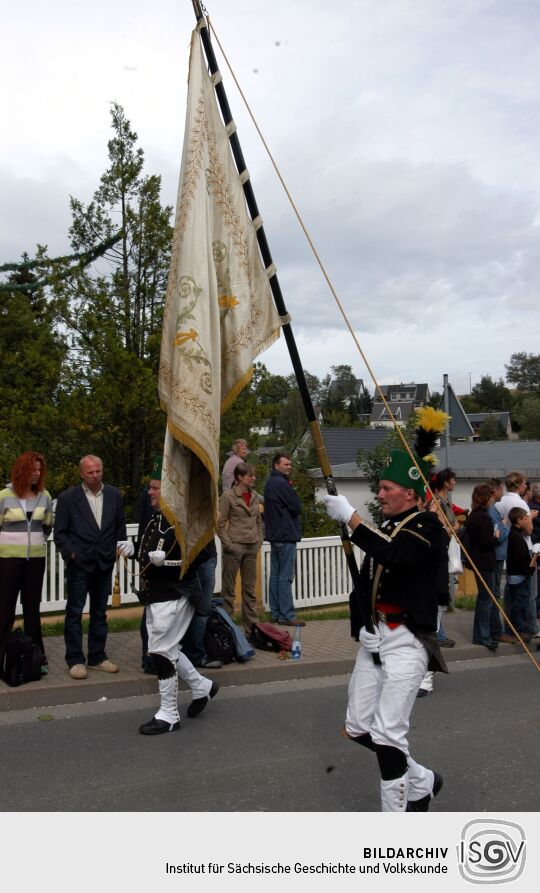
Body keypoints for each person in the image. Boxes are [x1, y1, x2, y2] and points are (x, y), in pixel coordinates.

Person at [323, 448, 448, 812]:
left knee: (388, 734)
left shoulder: (427, 528)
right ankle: (422, 781)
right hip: (375, 638)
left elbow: (395, 555)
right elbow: (361, 588)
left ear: (410, 493)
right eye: (380, 488)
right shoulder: (389, 529)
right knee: (358, 726)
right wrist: (361, 626)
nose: (380, 494)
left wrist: (352, 518)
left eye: (386, 488)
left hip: (407, 641)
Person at [125, 469, 218, 735]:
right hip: (157, 593)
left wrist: (165, 560)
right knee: (166, 649)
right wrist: (135, 551)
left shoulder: (184, 520)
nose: (150, 493)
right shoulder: (158, 517)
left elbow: (198, 555)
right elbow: (151, 546)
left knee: (161, 652)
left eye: (155, 488)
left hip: (176, 593)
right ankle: (202, 687)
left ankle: (169, 714)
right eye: (151, 488)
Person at [54, 455, 126, 679]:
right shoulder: (68, 498)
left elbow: (119, 527)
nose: (95, 475)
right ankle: (75, 660)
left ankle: (97, 656)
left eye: (98, 471)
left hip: (104, 562)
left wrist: (118, 548)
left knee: (99, 612)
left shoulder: (113, 495)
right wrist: (71, 553)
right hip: (79, 564)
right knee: (75, 612)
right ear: (81, 474)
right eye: (90, 472)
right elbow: (60, 533)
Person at [0, 452, 53, 677]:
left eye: (40, 470)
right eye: (33, 470)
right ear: (22, 470)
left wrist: (33, 543)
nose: (37, 474)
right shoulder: (4, 495)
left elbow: (47, 526)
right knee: (5, 610)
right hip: (8, 560)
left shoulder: (45, 496)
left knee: (32, 610)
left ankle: (35, 658)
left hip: (36, 560)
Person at [217, 462, 263, 634]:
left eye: (253, 475)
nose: (254, 478)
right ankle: (226, 630)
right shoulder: (228, 496)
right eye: (250, 475)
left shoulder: (255, 496)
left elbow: (258, 521)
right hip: (234, 548)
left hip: (252, 547)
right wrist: (229, 545)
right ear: (239, 477)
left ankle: (252, 629)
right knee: (228, 592)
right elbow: (219, 524)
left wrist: (259, 540)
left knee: (249, 591)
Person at [263, 452, 305, 627]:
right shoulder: (282, 484)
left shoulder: (270, 484)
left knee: (275, 575)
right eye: (286, 464)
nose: (289, 466)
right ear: (276, 465)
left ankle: (276, 612)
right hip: (286, 535)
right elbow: (297, 506)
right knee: (285, 576)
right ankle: (287, 615)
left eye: (290, 464)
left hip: (274, 535)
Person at [464, 483, 502, 652]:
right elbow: (487, 543)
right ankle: (483, 635)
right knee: (487, 599)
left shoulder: (473, 516)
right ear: (487, 499)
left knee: (484, 599)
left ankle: (483, 634)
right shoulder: (484, 518)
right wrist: (496, 537)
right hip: (486, 562)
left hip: (478, 562)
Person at [505, 507, 538, 642]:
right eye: (526, 519)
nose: (528, 521)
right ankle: (518, 630)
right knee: (520, 605)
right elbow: (520, 561)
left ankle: (518, 629)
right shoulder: (516, 537)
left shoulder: (517, 535)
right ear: (519, 520)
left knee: (519, 604)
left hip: (518, 575)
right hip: (519, 577)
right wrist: (531, 566)